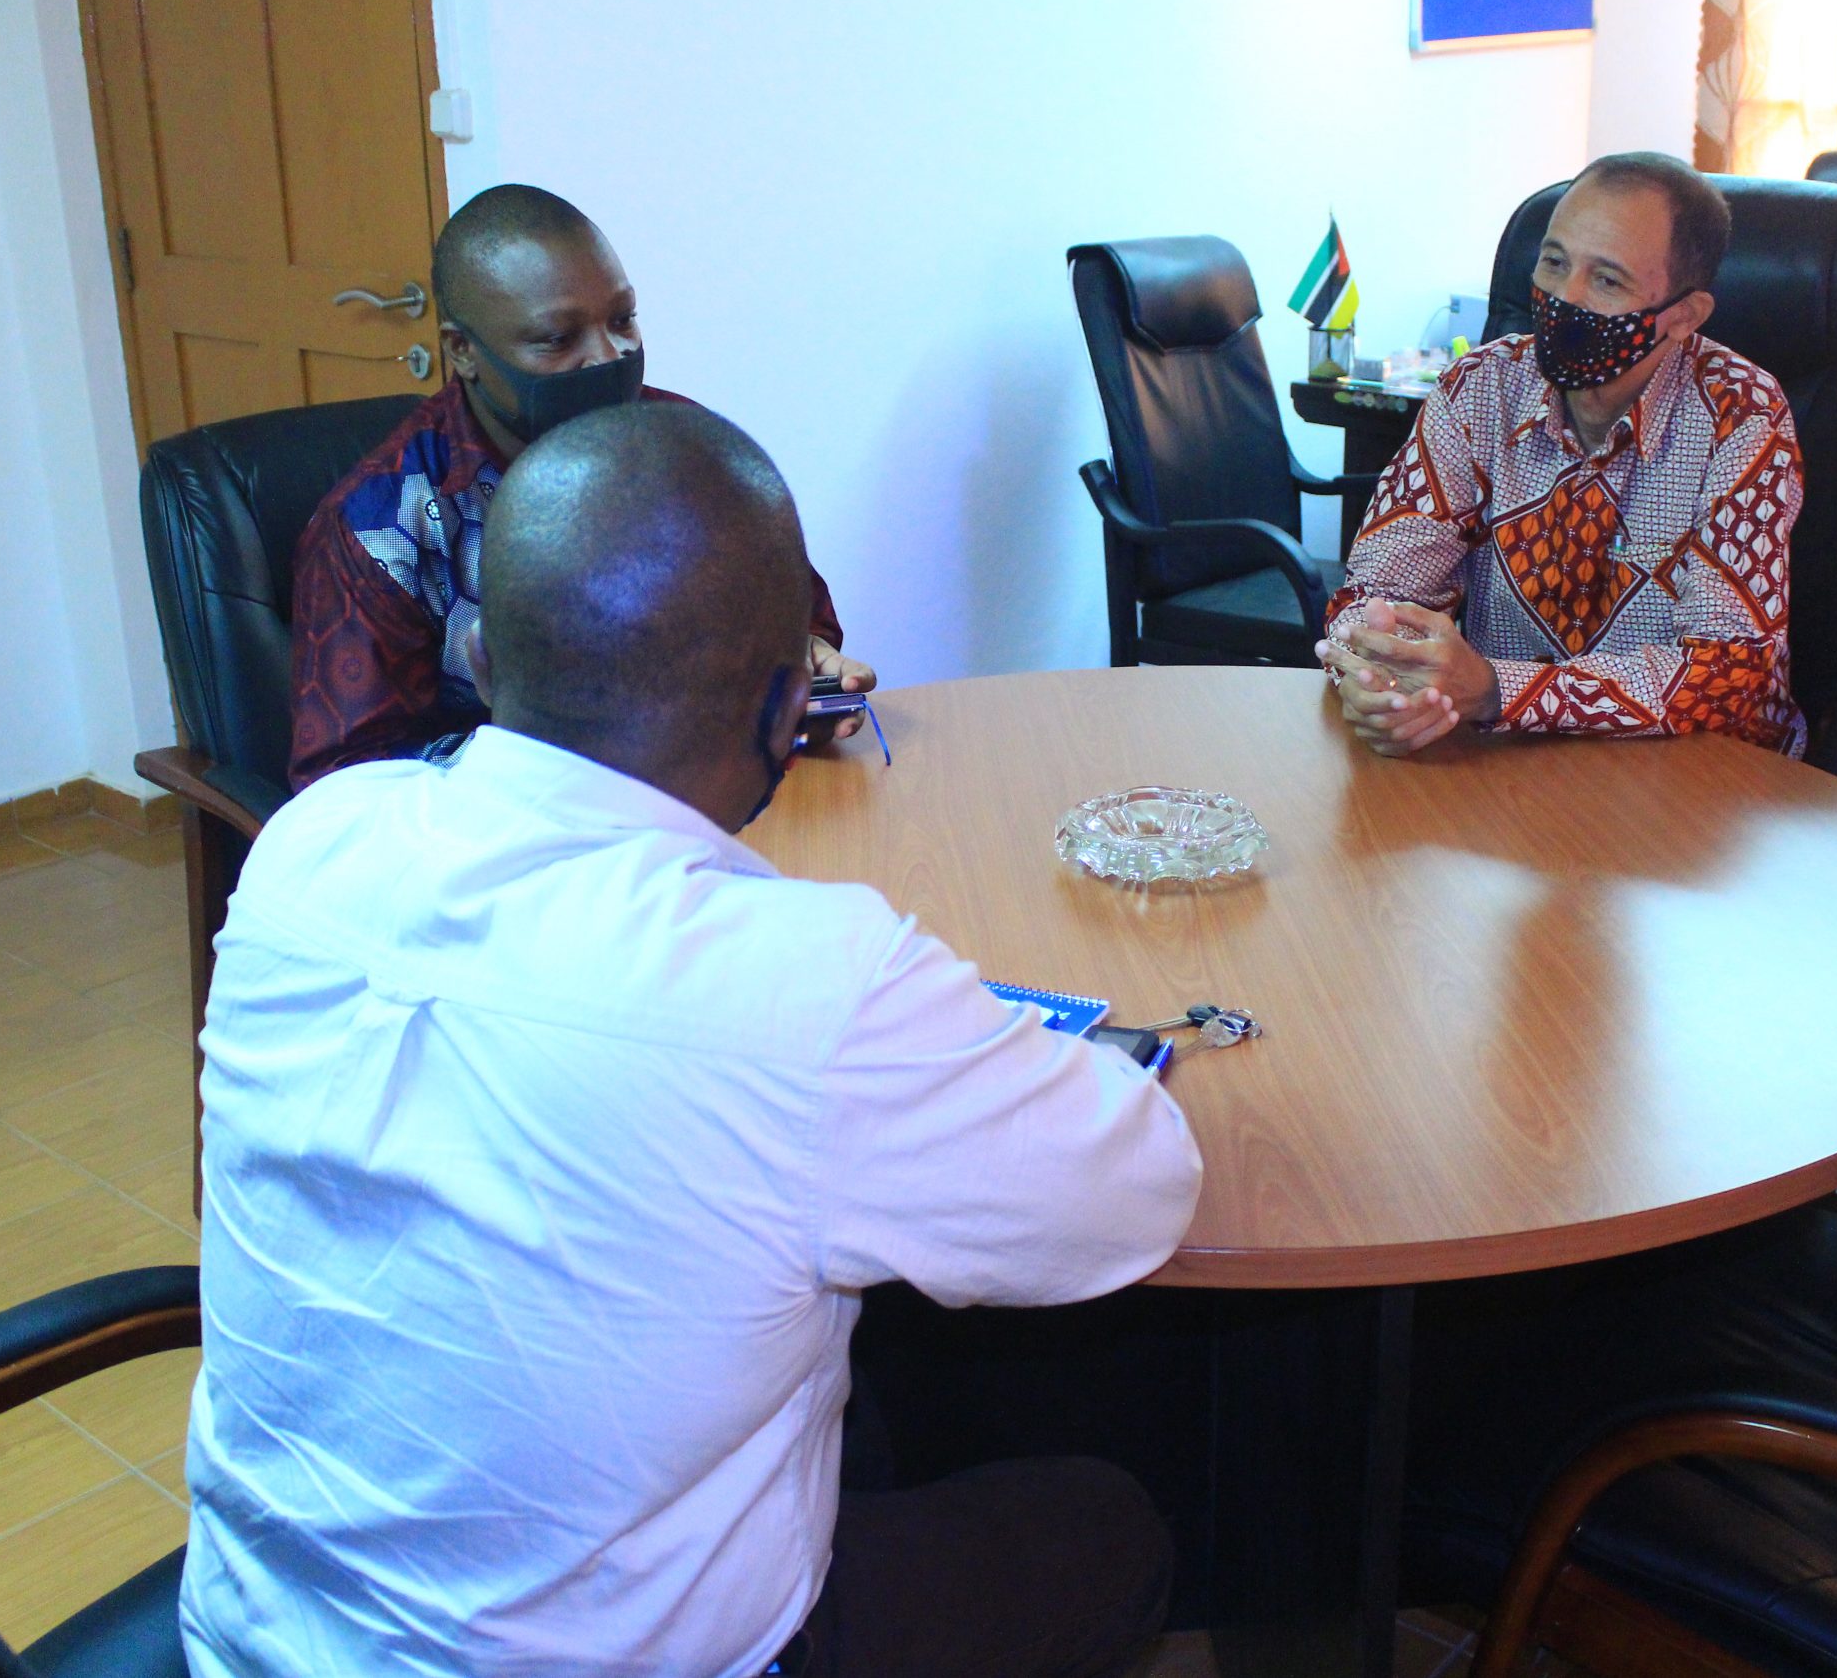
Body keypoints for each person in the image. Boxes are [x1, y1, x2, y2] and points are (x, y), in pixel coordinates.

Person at [181, 402, 1202, 1678]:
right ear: (791, 707)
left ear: (485, 658)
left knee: (847, 1379)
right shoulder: (813, 985)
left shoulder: (308, 849)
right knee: (1105, 1528)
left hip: (258, 1637)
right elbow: (1139, 1191)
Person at [286, 182, 876, 790]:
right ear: (463, 351)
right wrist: (595, 757)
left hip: (698, 813)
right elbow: (346, 787)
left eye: (623, 319)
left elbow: (793, 620)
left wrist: (796, 672)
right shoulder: (383, 528)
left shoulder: (691, 453)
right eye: (559, 339)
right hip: (502, 853)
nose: (608, 356)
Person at [1319, 152, 1806, 759]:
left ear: (1682, 317)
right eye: (1554, 262)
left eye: (1606, 280)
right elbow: (1378, 592)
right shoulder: (1481, 387)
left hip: (1693, 776)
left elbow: (1729, 672)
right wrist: (1378, 672)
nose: (1562, 296)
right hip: (1505, 766)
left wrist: (1501, 691)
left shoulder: (1742, 415)